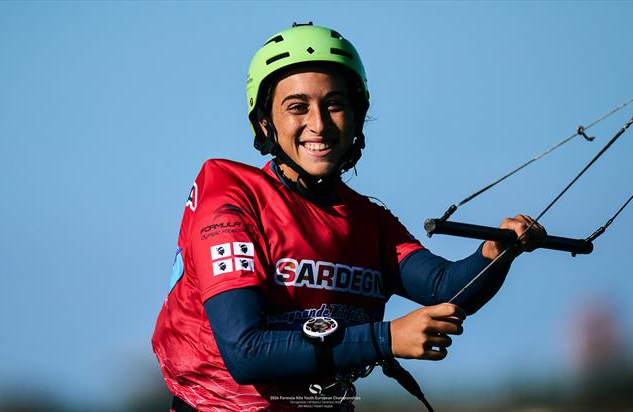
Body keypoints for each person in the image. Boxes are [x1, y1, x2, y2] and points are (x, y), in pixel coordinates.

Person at [152, 22, 546, 412]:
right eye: (297, 107)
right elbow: (245, 351)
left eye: (335, 104)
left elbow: (445, 288)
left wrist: (495, 254)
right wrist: (387, 338)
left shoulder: (367, 218)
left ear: (356, 118)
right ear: (264, 122)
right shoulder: (231, 198)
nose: (319, 124)